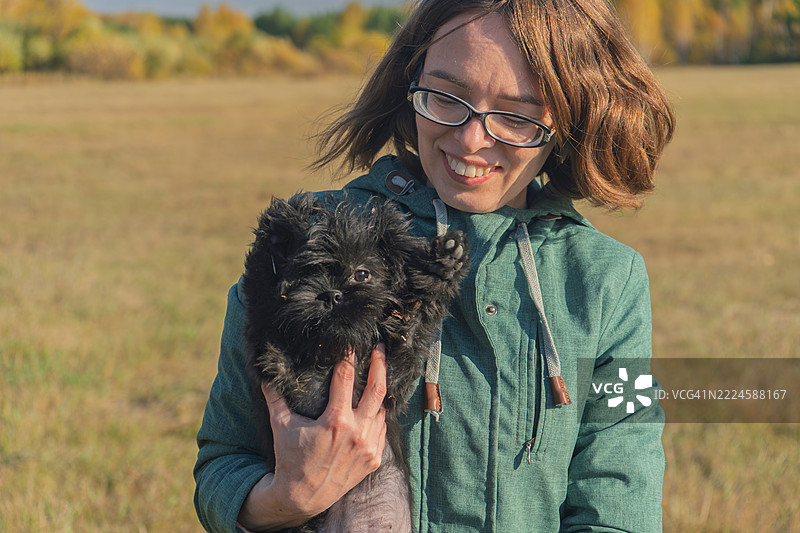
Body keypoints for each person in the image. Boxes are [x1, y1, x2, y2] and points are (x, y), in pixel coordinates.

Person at [194, 0, 674, 531]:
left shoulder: (610, 279)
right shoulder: (309, 240)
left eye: (515, 115)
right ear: (411, 83)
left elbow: (620, 492)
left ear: (568, 118)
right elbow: (223, 463)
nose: (470, 139)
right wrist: (289, 496)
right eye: (446, 97)